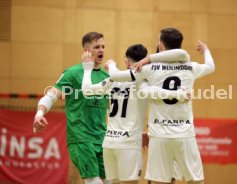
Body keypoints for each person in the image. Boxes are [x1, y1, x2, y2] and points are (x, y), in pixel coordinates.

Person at [105, 28, 215, 184]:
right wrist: (205, 51)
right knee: (195, 180)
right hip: (184, 134)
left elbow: (116, 76)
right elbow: (211, 66)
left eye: (158, 40)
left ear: (161, 46)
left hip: (159, 135)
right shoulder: (191, 67)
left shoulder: (148, 69)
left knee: (158, 181)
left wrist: (111, 64)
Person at [81, 44, 191, 184]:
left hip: (109, 144)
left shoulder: (112, 80)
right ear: (144, 60)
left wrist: (87, 69)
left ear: (127, 62)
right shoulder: (144, 80)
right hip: (129, 144)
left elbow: (87, 90)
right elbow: (159, 94)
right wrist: (178, 94)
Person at [33, 32, 110, 184]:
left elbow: (110, 109)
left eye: (103, 46)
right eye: (97, 47)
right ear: (86, 51)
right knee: (94, 181)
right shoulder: (73, 73)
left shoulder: (105, 76)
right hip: (81, 138)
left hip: (103, 139)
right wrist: (39, 114)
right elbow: (51, 95)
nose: (101, 50)